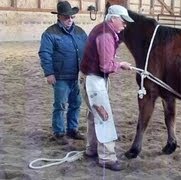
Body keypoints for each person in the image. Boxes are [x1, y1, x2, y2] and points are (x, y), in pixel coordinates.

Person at [79, 5, 134, 171]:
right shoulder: (105, 35)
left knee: (94, 114)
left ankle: (91, 149)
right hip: (94, 79)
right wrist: (121, 64)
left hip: (90, 77)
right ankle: (107, 158)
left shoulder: (103, 30)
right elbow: (106, 66)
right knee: (104, 116)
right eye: (123, 22)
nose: (125, 25)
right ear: (114, 18)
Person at [38, 1, 87, 145]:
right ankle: (59, 132)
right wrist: (49, 73)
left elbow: (88, 49)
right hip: (60, 77)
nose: (70, 20)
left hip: (77, 76)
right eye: (66, 17)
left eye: (72, 17)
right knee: (60, 105)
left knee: (76, 103)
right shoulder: (50, 33)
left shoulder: (80, 32)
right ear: (59, 17)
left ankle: (72, 129)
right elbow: (45, 53)